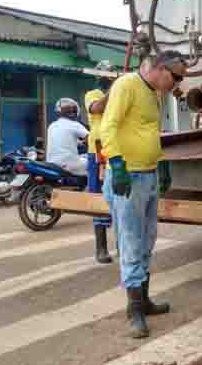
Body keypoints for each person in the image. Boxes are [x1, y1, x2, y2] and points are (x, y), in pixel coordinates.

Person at [101, 50, 187, 339]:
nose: (176, 84)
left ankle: (145, 300)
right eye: (175, 77)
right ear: (161, 69)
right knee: (131, 241)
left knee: (148, 239)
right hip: (129, 176)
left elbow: (152, 131)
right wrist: (116, 163)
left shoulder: (155, 93)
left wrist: (161, 163)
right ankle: (134, 310)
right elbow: (108, 126)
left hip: (148, 175)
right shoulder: (127, 85)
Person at [84, 64, 115, 264]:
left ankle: (122, 245)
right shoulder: (92, 94)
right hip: (98, 150)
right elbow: (97, 108)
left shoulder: (119, 93)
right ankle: (101, 248)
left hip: (117, 146)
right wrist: (115, 90)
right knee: (98, 196)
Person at [46, 98, 88, 176]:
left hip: (52, 163)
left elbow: (63, 139)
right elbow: (91, 140)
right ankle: (92, 187)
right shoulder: (75, 125)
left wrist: (79, 143)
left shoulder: (52, 125)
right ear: (75, 112)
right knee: (92, 164)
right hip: (68, 164)